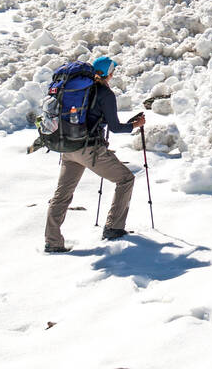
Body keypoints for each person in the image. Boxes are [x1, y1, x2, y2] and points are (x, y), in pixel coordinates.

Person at [44, 56, 146, 252]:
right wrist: (135, 125)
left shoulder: (81, 89)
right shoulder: (105, 94)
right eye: (113, 71)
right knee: (126, 179)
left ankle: (52, 241)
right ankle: (114, 227)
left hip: (68, 147)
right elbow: (115, 127)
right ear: (108, 73)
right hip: (89, 149)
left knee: (62, 194)